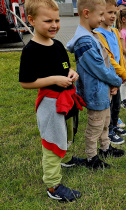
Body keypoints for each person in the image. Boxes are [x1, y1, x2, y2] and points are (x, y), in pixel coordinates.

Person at [19, 0, 86, 202]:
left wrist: (71, 73)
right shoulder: (31, 50)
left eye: (57, 20)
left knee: (66, 133)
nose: (55, 25)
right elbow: (26, 82)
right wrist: (54, 80)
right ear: (31, 20)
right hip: (49, 104)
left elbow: (65, 68)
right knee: (52, 141)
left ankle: (65, 159)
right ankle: (53, 185)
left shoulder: (57, 44)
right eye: (48, 20)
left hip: (66, 100)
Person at [67, 0, 125, 170]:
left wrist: (112, 84)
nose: (102, 19)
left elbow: (107, 62)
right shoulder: (84, 41)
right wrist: (116, 81)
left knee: (105, 122)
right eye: (100, 14)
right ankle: (92, 158)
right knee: (95, 126)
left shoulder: (92, 34)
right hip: (95, 92)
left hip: (103, 90)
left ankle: (105, 148)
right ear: (86, 13)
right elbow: (99, 68)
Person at [94, 0, 126, 144]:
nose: (113, 16)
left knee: (117, 104)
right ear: (100, 13)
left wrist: (123, 71)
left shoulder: (115, 31)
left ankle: (114, 125)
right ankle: (109, 131)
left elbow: (119, 54)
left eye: (114, 12)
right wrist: (124, 74)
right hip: (107, 77)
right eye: (109, 13)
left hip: (117, 75)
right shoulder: (98, 34)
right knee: (109, 106)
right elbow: (109, 59)